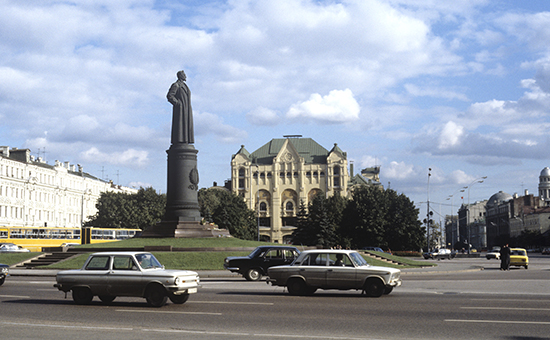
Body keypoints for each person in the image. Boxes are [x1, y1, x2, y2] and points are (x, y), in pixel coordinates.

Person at [167, 70, 194, 144]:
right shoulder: (176, 85)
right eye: (184, 75)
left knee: (186, 125)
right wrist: (178, 103)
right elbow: (170, 96)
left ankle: (186, 140)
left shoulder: (185, 86)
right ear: (180, 76)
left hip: (187, 109)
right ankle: (180, 140)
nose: (185, 76)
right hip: (180, 110)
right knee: (180, 125)